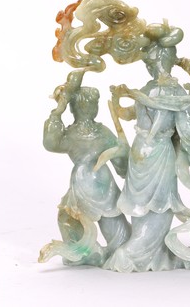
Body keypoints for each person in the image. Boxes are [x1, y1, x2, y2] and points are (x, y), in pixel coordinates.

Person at [103, 30, 190, 272]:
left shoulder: (146, 89)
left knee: (141, 205)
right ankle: (131, 256)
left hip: (140, 150)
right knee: (161, 206)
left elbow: (131, 114)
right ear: (169, 60)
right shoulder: (174, 92)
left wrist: (118, 103)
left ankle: (155, 254)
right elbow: (188, 130)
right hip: (158, 152)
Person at [39, 74, 131, 266]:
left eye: (91, 104)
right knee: (76, 219)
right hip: (91, 182)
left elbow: (122, 165)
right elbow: (51, 144)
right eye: (84, 104)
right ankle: (91, 252)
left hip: (95, 182)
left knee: (80, 219)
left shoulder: (83, 133)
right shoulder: (89, 133)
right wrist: (57, 112)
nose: (87, 108)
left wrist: (58, 112)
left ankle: (96, 252)